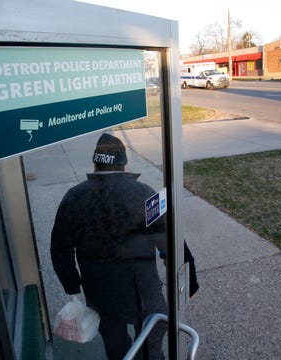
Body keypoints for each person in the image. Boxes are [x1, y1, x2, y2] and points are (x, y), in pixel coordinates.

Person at [51, 132, 197, 360]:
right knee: (152, 334)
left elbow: (60, 249)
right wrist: (190, 282)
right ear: (124, 163)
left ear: (95, 164)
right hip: (142, 288)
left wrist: (72, 286)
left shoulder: (73, 197)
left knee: (113, 339)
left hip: (99, 289)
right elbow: (171, 240)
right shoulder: (145, 193)